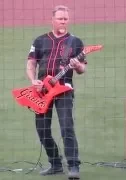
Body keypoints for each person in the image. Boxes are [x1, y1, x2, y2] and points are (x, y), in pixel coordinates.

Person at [26, 5, 87, 179]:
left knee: (67, 127)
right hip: (43, 91)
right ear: (52, 20)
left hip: (64, 90)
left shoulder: (75, 42)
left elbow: (82, 69)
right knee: (42, 129)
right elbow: (31, 63)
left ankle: (74, 166)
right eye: (60, 18)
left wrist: (77, 65)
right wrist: (33, 80)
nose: (63, 21)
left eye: (65, 18)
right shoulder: (39, 40)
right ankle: (55, 163)